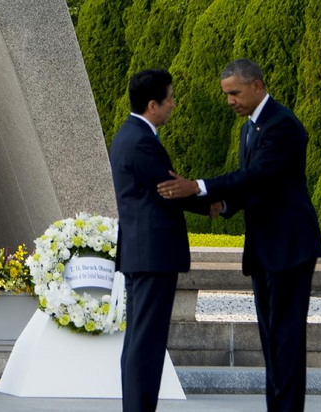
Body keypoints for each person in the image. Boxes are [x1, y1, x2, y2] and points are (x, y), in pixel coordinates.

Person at [157, 59, 321, 412]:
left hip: (290, 247)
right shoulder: (249, 128)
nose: (230, 100)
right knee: (270, 340)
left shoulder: (283, 125)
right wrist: (221, 205)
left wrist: (197, 186)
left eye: (234, 93)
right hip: (264, 248)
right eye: (226, 95)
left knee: (286, 340)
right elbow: (254, 187)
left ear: (257, 87)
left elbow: (259, 175)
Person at [110, 69, 220, 412]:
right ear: (153, 104)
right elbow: (170, 188)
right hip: (152, 254)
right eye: (170, 99)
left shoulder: (129, 135)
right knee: (147, 341)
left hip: (142, 253)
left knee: (141, 339)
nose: (174, 105)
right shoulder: (141, 140)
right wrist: (215, 202)